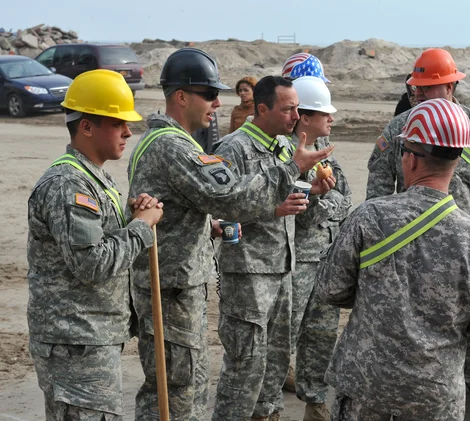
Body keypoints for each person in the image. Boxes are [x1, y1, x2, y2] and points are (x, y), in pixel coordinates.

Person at [127, 50, 332, 421]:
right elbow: (228, 196)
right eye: (209, 94)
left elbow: (187, 209)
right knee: (180, 388)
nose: (219, 103)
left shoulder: (179, 143)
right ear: (181, 97)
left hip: (186, 280)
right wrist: (291, 169)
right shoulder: (173, 146)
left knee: (192, 381)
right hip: (179, 284)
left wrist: (212, 226)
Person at [319, 98, 470, 421]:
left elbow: (330, 289)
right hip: (436, 398)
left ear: (410, 160)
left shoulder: (369, 218)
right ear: (456, 162)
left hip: (366, 391)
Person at [366, 48, 470, 421]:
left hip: (469, 248)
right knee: (414, 325)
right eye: (416, 87)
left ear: (452, 86)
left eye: (428, 87)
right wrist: (378, 235)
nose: (419, 94)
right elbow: (378, 182)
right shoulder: (400, 127)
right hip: (411, 247)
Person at [27, 69, 164, 420]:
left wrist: (131, 218)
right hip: (76, 344)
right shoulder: (68, 184)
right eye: (118, 123)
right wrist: (140, 229)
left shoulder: (92, 176)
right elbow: (92, 264)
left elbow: (96, 240)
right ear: (87, 126)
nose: (128, 132)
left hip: (89, 338)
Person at [211, 75, 336, 421]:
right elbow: (220, 211)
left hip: (282, 269)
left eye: (297, 108)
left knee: (276, 362)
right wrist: (272, 208)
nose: (296, 116)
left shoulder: (283, 147)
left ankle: (268, 415)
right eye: (288, 109)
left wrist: (315, 192)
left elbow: (288, 199)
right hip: (248, 273)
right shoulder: (233, 149)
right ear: (262, 109)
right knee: (244, 366)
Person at [285, 76, 352, 421]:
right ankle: (268, 402)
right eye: (325, 114)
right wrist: (319, 198)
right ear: (305, 117)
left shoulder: (324, 147)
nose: (332, 119)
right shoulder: (284, 153)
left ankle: (314, 400)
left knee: (322, 333)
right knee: (285, 333)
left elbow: (346, 197)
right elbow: (292, 210)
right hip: (292, 261)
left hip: (325, 257)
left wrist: (319, 199)